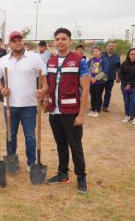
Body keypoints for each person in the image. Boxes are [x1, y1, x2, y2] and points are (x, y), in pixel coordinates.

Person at [43, 28, 90, 194]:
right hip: (54, 111)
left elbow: (85, 89)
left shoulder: (79, 61)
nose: (60, 42)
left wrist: (81, 114)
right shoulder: (51, 61)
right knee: (60, 145)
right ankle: (63, 174)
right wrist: (43, 95)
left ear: (70, 41)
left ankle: (81, 178)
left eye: (63, 39)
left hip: (71, 112)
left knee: (75, 146)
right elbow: (49, 84)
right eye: (57, 39)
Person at [0, 31, 48, 171]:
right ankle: (11, 159)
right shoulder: (3, 60)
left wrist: (43, 91)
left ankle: (31, 162)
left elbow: (45, 82)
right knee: (10, 134)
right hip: (10, 105)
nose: (17, 42)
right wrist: (1, 89)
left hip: (29, 105)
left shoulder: (34, 58)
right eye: (14, 40)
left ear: (23, 41)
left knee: (30, 135)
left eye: (19, 40)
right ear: (10, 44)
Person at [119, 48, 135, 125]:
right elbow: (121, 74)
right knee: (126, 101)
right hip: (124, 86)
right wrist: (124, 84)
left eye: (134, 54)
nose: (133, 55)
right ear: (128, 55)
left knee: (134, 101)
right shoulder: (124, 63)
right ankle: (127, 115)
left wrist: (131, 85)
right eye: (131, 54)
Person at [87, 47, 109, 118]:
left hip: (100, 81)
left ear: (100, 51)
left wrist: (96, 78)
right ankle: (93, 110)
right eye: (93, 51)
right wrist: (90, 78)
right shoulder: (90, 60)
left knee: (98, 96)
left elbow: (105, 71)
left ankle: (97, 111)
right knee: (92, 96)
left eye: (96, 51)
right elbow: (87, 70)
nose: (95, 53)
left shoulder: (104, 60)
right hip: (91, 81)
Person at [101, 41, 121, 112]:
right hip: (101, 77)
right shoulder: (101, 54)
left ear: (114, 47)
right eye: (110, 46)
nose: (111, 47)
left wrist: (119, 77)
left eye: (113, 46)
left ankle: (105, 106)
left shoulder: (117, 56)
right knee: (98, 92)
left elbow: (118, 67)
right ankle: (97, 105)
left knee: (108, 92)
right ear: (107, 47)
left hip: (111, 77)